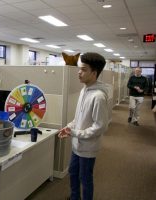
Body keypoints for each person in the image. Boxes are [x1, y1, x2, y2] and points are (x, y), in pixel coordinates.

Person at [58, 52, 109, 200]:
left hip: (88, 147)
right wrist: (69, 127)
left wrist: (75, 133)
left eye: (84, 69)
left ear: (94, 73)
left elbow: (100, 127)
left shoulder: (98, 97)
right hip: (77, 144)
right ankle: (75, 197)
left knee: (85, 178)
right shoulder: (84, 90)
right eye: (80, 68)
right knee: (73, 173)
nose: (79, 72)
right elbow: (79, 117)